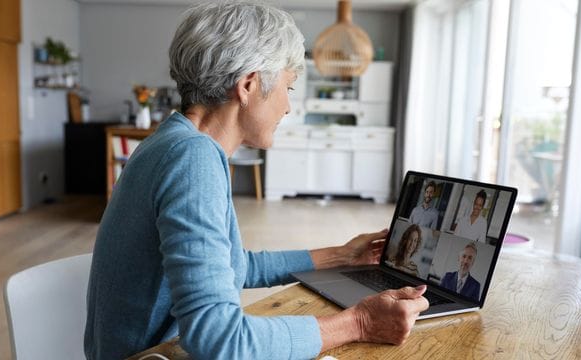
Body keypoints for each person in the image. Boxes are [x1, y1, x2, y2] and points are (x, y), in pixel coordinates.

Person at [84, 2, 429, 359]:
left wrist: (341, 255)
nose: (287, 107)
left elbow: (231, 265)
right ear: (248, 85)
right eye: (288, 88)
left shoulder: (170, 140)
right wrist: (359, 323)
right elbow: (220, 339)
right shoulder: (192, 160)